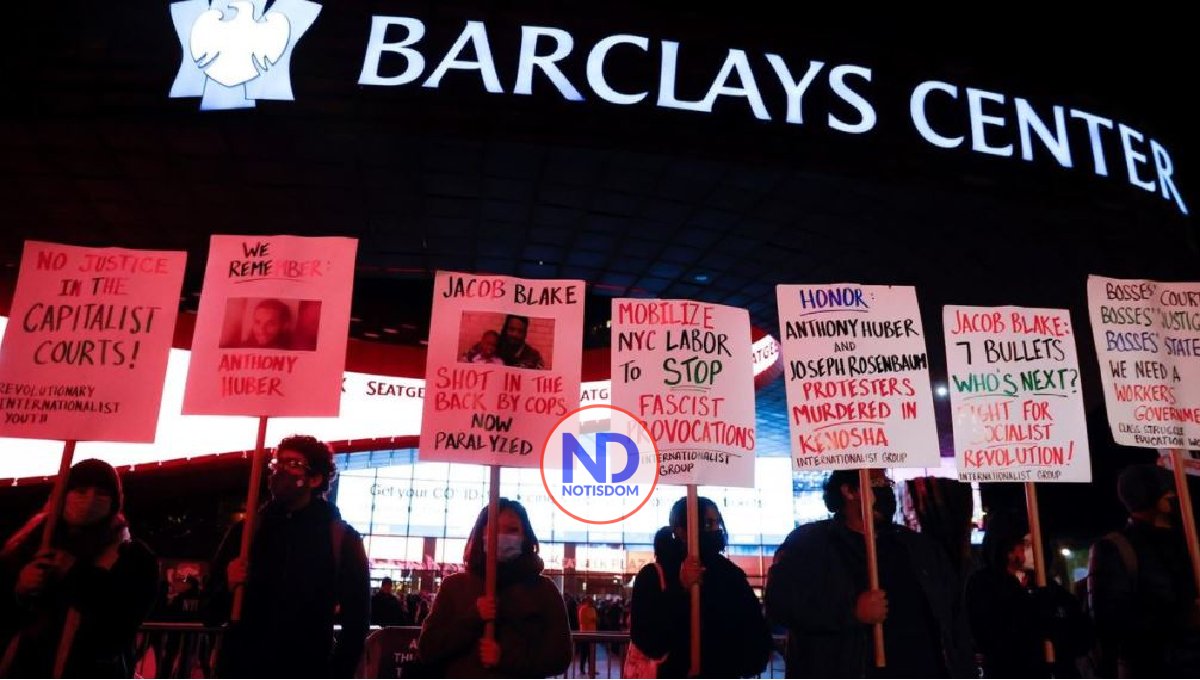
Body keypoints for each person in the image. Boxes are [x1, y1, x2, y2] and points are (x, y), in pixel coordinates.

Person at [766, 469, 973, 678]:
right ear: (848, 491)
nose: (886, 490)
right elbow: (781, 604)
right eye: (878, 482)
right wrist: (852, 612)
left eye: (887, 482)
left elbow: (952, 619)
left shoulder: (919, 547)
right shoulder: (809, 544)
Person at [207, 435, 370, 678]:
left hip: (307, 668)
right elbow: (208, 613)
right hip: (242, 667)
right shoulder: (247, 533)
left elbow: (356, 622)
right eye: (277, 463)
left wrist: (336, 672)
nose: (281, 470)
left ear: (315, 479)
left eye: (293, 464)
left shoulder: (342, 539)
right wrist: (228, 586)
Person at [0, 459, 158, 677]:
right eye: (80, 490)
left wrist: (73, 574)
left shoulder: (133, 556)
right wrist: (20, 589)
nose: (90, 499)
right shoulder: (30, 545)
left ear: (115, 501)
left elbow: (116, 630)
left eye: (101, 493)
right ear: (62, 495)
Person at [417, 498, 571, 677]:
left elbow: (559, 657)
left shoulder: (544, 590)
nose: (502, 536)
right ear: (481, 534)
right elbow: (428, 649)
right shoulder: (455, 587)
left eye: (512, 530)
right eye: (493, 529)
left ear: (525, 537)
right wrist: (473, 617)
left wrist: (506, 657)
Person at [630, 498, 772, 678]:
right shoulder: (654, 576)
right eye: (707, 523)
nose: (715, 530)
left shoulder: (730, 575)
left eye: (717, 523)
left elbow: (754, 632)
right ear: (682, 530)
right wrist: (681, 590)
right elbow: (648, 639)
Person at [1089, 463, 1200, 677]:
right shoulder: (1114, 548)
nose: (1172, 494)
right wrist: (1184, 618)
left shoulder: (1189, 543)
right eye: (1163, 488)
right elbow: (1110, 624)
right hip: (1153, 668)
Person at [966, 512, 1091, 678]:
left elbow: (1082, 634)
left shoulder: (1046, 586)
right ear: (1008, 550)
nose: (1033, 550)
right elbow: (998, 639)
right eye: (1025, 544)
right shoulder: (983, 585)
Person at [576, 595, 598, 677]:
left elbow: (595, 619)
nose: (592, 602)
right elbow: (582, 620)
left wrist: (593, 620)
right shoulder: (583, 609)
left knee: (591, 653)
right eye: (590, 601)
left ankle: (591, 669)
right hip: (585, 634)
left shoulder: (592, 609)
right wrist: (591, 619)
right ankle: (582, 669)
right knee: (584, 653)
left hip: (592, 633)